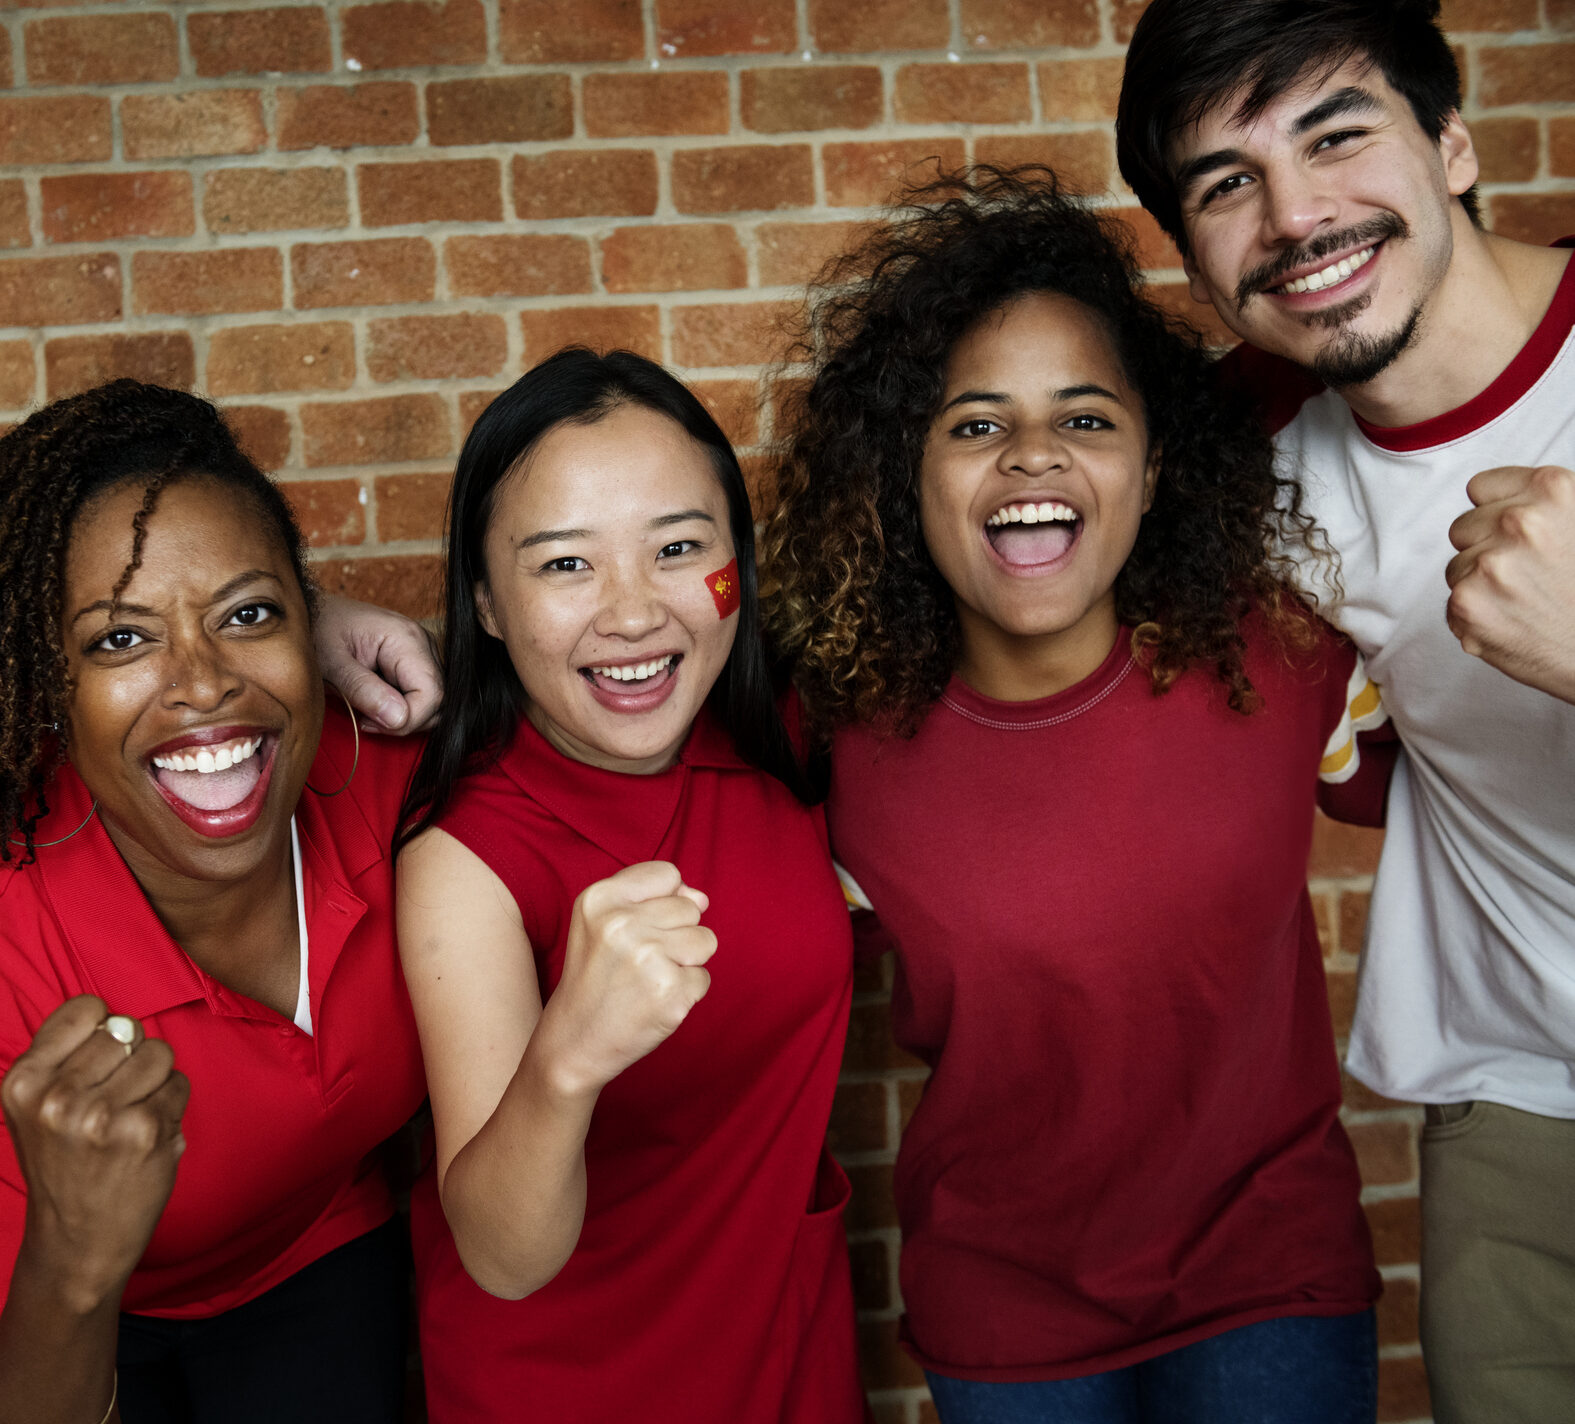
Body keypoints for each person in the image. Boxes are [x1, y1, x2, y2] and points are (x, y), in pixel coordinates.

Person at [760, 166, 1396, 1424]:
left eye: (1088, 418)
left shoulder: (1285, 661)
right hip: (1010, 1303)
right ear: (911, 477)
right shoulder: (831, 737)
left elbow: (1470, 781)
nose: (1034, 452)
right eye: (975, 422)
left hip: (1272, 1267)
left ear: (1155, 471)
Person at [1115, 4, 1575, 1418]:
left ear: (1447, 143)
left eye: (1333, 135)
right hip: (1519, 1098)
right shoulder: (1238, 456)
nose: (1295, 216)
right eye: (1224, 183)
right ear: (1192, 255)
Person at [394, 348, 864, 1424]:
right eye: (566, 566)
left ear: (737, 561)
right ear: (489, 604)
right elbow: (504, 1256)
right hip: (569, 1382)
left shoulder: (782, 737)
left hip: (786, 1351)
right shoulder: (465, 856)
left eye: (679, 548)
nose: (635, 611)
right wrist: (569, 1056)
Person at [0, 381, 427, 1424]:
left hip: (326, 1246)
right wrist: (74, 1254)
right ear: (49, 687)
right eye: (119, 639)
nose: (199, 682)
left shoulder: (392, 786)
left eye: (246, 614)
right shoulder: (19, 941)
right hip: (79, 1321)